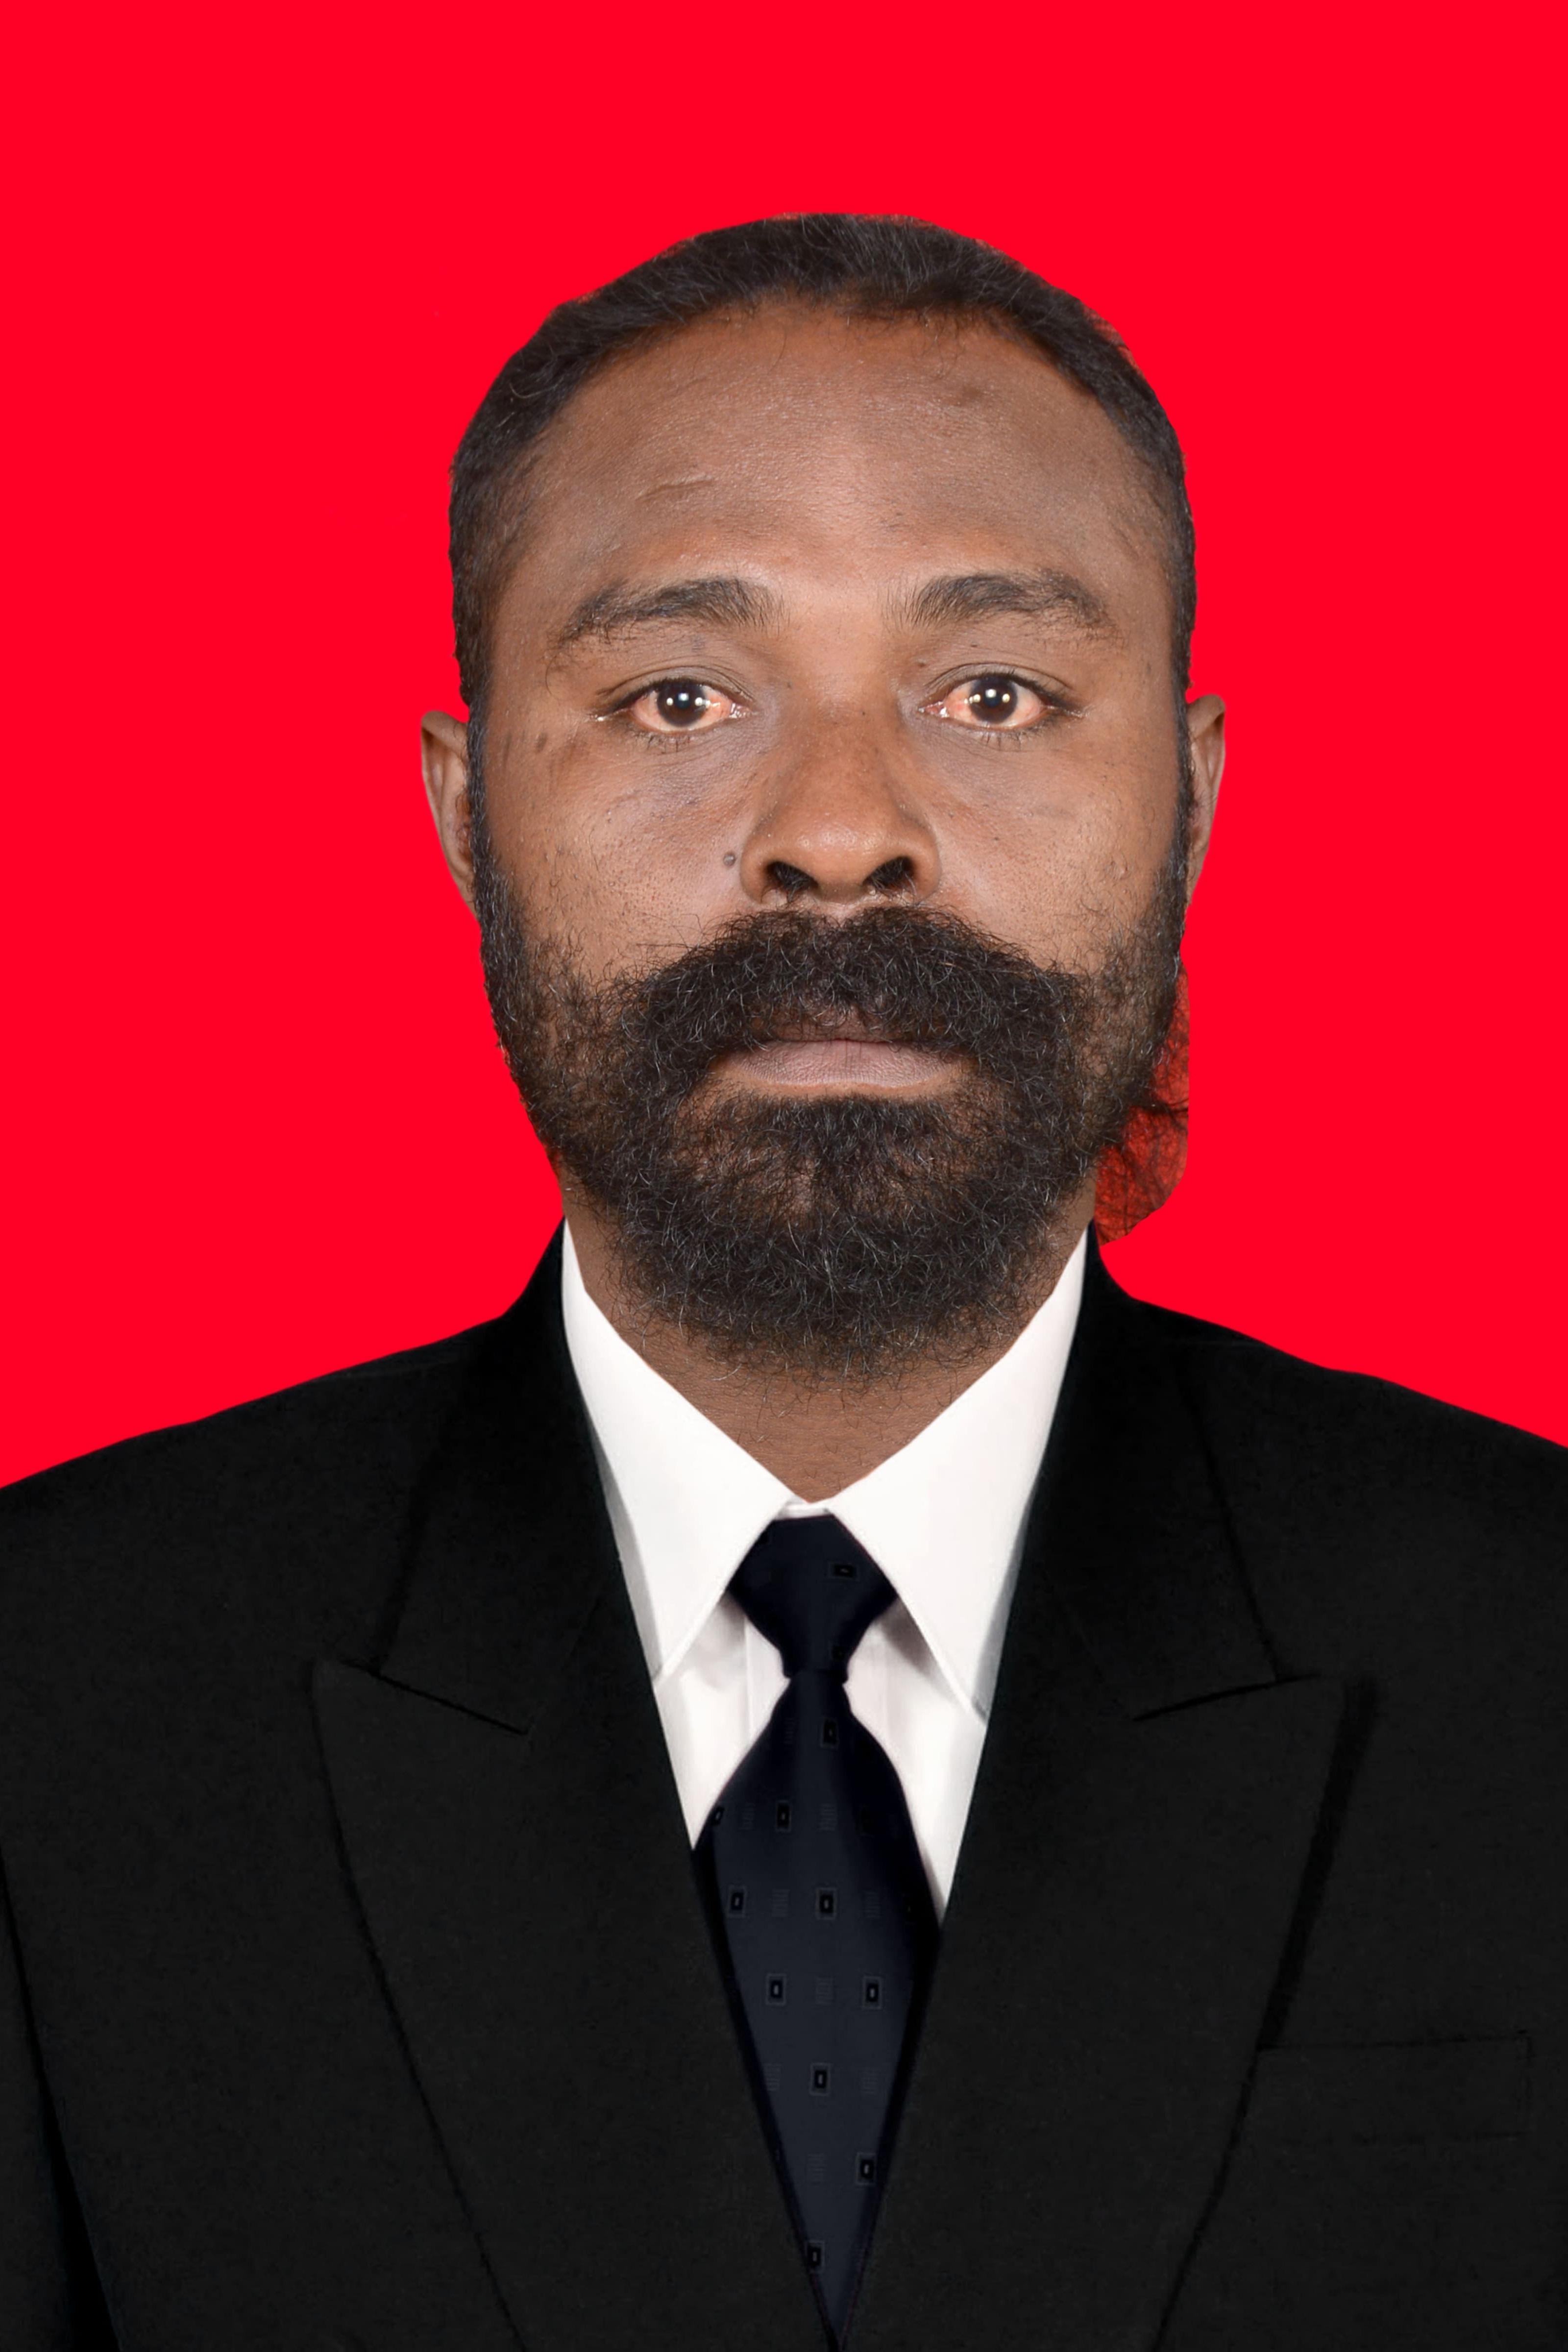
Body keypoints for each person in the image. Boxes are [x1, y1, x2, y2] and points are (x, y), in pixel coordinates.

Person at [1, 214, 1562, 2352]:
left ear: (1190, 801)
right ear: (465, 815)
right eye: (680, 696)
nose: (838, 830)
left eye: (994, 693)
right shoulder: (53, 1696)